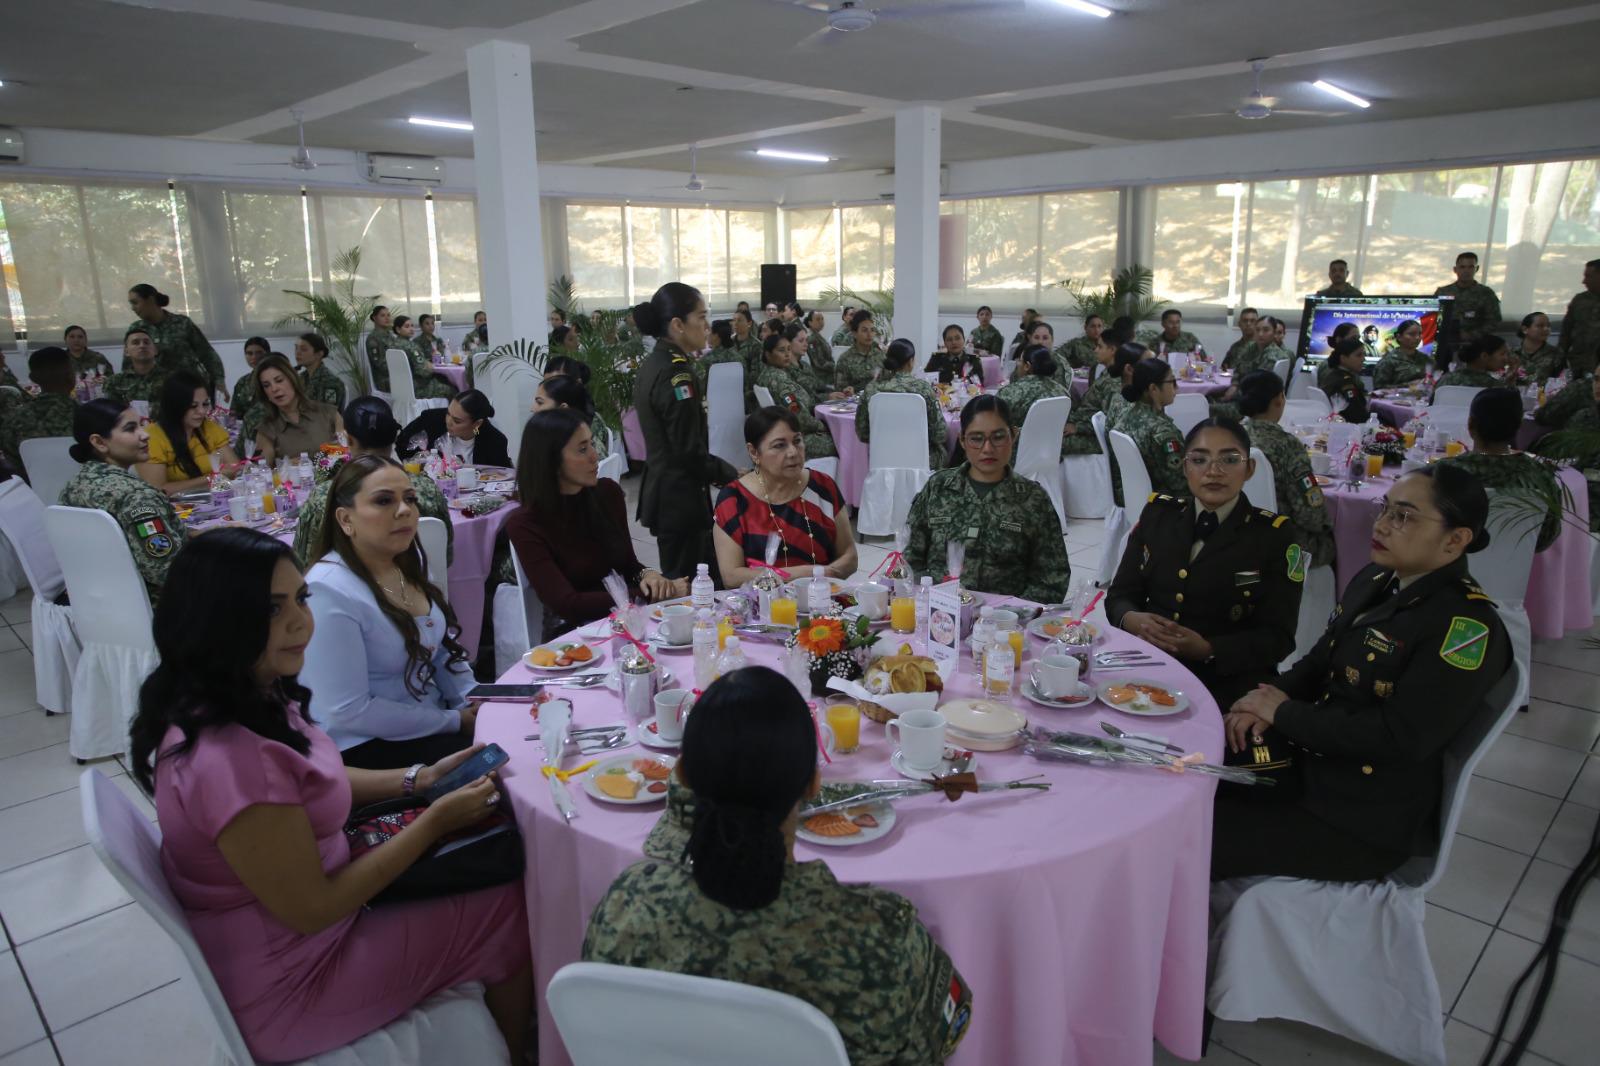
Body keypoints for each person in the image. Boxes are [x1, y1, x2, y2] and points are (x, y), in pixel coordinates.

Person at [127, 528, 532, 1063]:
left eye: (300, 599)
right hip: (296, 982)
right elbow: (315, 908)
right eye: (272, 610)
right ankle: (525, 1049)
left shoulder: (244, 691)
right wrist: (433, 822)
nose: (300, 622)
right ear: (217, 620)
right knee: (505, 903)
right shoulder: (233, 759)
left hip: (294, 934)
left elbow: (317, 778)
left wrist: (420, 779)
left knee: (487, 860)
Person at [582, 666, 972, 1064]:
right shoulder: (881, 939)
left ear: (682, 775)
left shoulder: (627, 906)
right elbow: (940, 1041)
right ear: (813, 784)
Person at [1214, 466, 1511, 882]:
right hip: (1308, 767)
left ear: (1455, 540)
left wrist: (1285, 714)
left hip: (1360, 819)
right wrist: (1261, 701)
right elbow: (1320, 660)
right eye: (1385, 509)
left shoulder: (1464, 627)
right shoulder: (1377, 578)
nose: (1383, 525)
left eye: (1404, 516)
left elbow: (1399, 736)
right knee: (1189, 776)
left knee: (1194, 835)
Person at [1108, 419, 1303, 707]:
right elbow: (1120, 595)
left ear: (1249, 469)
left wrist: (1210, 649)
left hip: (1226, 677)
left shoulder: (1274, 536)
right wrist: (1132, 619)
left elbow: (1279, 637)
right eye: (1199, 460)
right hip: (1148, 664)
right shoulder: (1158, 515)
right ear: (1185, 467)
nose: (1214, 471)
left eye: (1230, 459)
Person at [300, 455, 476, 768]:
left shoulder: (407, 564)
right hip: (365, 746)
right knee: (501, 771)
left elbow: (441, 653)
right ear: (345, 519)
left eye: (410, 499)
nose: (405, 510)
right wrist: (454, 720)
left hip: (429, 723)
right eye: (384, 501)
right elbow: (349, 711)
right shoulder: (327, 590)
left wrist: (476, 702)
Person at [508, 408, 679, 639]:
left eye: (590, 444)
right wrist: (648, 595)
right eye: (582, 449)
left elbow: (628, 565)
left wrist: (649, 577)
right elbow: (568, 604)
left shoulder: (608, 494)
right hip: (574, 637)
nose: (594, 455)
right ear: (551, 460)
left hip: (629, 621)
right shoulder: (526, 524)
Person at [905, 394, 1070, 602]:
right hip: (941, 615)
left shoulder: (1032, 499)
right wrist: (928, 599)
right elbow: (910, 557)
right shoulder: (938, 488)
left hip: (1006, 623)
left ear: (1014, 435)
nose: (988, 448)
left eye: (998, 437)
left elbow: (1053, 579)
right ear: (963, 441)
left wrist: (1012, 614)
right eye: (976, 438)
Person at [634, 283, 739, 580]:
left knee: (695, 582)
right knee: (690, 589)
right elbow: (687, 451)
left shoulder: (656, 362)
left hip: (670, 492)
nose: (707, 326)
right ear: (678, 324)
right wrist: (731, 474)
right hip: (679, 498)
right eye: (701, 317)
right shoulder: (675, 372)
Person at [293, 397, 451, 571]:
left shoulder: (327, 496)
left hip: (350, 593)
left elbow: (303, 562)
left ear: (348, 440)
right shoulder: (426, 489)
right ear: (393, 437)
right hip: (421, 585)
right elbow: (446, 555)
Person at [59, 399, 187, 604]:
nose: (145, 434)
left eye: (141, 424)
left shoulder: (74, 486)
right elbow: (165, 569)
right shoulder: (135, 496)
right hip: (162, 609)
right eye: (130, 429)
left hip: (102, 606)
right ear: (99, 442)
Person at [714, 408, 857, 586]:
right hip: (761, 606)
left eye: (797, 441)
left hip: (821, 602)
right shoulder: (734, 499)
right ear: (754, 452)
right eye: (779, 445)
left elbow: (849, 555)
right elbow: (731, 576)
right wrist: (806, 574)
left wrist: (827, 575)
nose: (793, 452)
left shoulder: (822, 487)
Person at [1441, 388, 1563, 552]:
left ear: (1470, 425)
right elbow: (1545, 537)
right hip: (1514, 573)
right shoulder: (1540, 475)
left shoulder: (1442, 473)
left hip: (1446, 569)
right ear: (1519, 426)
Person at [1239, 370, 1336, 574]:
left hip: (1236, 534)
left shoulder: (1233, 435)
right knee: (1340, 542)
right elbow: (1310, 515)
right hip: (1283, 543)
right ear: (1279, 400)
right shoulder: (1287, 446)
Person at [854, 339, 947, 471]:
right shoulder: (923, 389)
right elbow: (939, 434)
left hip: (882, 461)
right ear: (911, 361)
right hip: (921, 461)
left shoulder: (871, 390)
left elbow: (862, 433)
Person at [139, 371, 237, 496]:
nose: (201, 412)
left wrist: (221, 476)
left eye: (205, 404)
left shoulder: (209, 427)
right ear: (175, 406)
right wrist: (212, 478)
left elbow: (234, 468)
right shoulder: (152, 437)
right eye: (193, 406)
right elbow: (159, 490)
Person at [126, 283, 227, 397]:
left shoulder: (182, 323)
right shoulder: (136, 329)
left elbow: (206, 352)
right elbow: (128, 364)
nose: (133, 308)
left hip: (190, 388)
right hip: (156, 392)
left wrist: (219, 380)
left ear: (150, 300)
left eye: (135, 303)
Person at [1112, 357, 1188, 499]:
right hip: (1164, 504)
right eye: (1172, 382)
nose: (1176, 388)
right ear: (1153, 388)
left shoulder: (1126, 415)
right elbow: (1179, 485)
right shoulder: (1162, 432)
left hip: (1132, 498)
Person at [753, 334, 837, 459]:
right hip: (798, 438)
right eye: (781, 350)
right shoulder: (780, 381)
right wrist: (825, 425)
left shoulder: (767, 374)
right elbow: (800, 418)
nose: (787, 354)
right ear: (768, 354)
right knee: (843, 442)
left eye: (788, 349)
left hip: (783, 434)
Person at [1060, 334, 1142, 460]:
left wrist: (1078, 428)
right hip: (1083, 424)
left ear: (1112, 350)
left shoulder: (1114, 384)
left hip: (1095, 437)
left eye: (1100, 346)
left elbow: (1109, 422)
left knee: (1053, 443)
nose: (1095, 350)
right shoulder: (1107, 372)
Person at [254, 353, 344, 465]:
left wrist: (333, 455)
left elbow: (349, 453)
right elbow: (260, 475)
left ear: (292, 379)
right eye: (266, 385)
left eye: (279, 380)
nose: (274, 389)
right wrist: (285, 467)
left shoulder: (329, 414)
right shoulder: (267, 430)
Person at [0, 347, 78, 474]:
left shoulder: (13, 422)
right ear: (71, 376)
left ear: (33, 378)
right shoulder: (90, 418)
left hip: (32, 489)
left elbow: (13, 466)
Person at [396, 389, 512, 469]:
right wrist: (420, 461)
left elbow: (501, 475)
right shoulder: (431, 421)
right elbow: (401, 444)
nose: (448, 422)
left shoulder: (494, 441)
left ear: (477, 424)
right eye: (448, 413)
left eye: (457, 421)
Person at [533, 373, 610, 460]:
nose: (532, 409)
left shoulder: (576, 450)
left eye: (540, 402)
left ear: (563, 409)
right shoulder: (552, 441)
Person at [996, 346, 1070, 435]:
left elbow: (992, 418)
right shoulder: (1063, 393)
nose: (1017, 363)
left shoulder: (1011, 392)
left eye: (1020, 360)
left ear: (1027, 366)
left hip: (1016, 444)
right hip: (1052, 445)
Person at [1436, 251, 1501, 342]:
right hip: (1445, 341)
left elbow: (1494, 322)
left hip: (1475, 344)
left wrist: (1472, 335)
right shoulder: (1443, 292)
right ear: (1455, 269)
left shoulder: (1486, 293)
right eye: (1462, 267)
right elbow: (1433, 317)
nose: (1466, 271)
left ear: (1476, 269)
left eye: (1471, 267)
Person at [103, 326, 165, 415]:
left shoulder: (172, 379)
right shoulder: (114, 382)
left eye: (146, 342)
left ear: (155, 350)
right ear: (126, 351)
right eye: (136, 342)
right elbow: (110, 413)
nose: (142, 345)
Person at [394, 315, 457, 400]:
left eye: (412, 326)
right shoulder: (411, 346)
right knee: (453, 389)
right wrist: (429, 365)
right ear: (398, 329)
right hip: (419, 387)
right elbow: (423, 371)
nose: (411, 329)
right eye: (407, 326)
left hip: (401, 386)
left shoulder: (393, 345)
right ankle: (449, 413)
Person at [1557, 259, 1600, 378]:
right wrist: (1559, 359)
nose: (1584, 281)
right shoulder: (1580, 300)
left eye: (1589, 276)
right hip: (1579, 364)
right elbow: (1566, 331)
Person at [1433, 334, 1508, 399]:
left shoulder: (1446, 379)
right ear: (1484, 356)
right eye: (1502, 354)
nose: (1506, 358)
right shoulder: (1494, 386)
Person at [1318, 338, 1372, 424]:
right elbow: (1358, 414)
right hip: (1348, 427)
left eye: (1364, 355)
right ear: (1343, 358)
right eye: (1359, 355)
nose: (1363, 359)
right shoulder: (1344, 381)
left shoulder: (1333, 374)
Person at [231, 336, 271, 449]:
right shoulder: (242, 382)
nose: (254, 357)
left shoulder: (275, 381)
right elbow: (234, 414)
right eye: (249, 353)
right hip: (247, 436)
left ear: (268, 353)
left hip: (270, 435)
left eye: (259, 352)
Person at [834, 310, 883, 395]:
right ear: (854, 333)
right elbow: (840, 390)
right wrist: (847, 391)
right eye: (864, 330)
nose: (869, 334)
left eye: (872, 330)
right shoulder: (845, 359)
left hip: (878, 402)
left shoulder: (881, 355)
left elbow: (889, 381)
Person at [294, 332, 347, 410]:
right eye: (296, 348)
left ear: (319, 354)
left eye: (303, 349)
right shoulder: (301, 378)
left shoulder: (330, 382)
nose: (297, 353)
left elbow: (327, 415)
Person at [1372, 319, 1430, 389]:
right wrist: (1408, 386)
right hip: (1394, 399)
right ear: (1399, 337)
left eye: (1420, 334)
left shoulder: (1425, 359)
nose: (1417, 337)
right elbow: (1379, 388)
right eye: (1411, 334)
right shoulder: (1388, 361)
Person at [1512, 312, 1562, 383]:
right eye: (1540, 326)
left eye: (1548, 326)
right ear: (1525, 329)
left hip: (1544, 393)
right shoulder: (1511, 354)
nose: (1546, 329)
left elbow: (1561, 381)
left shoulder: (1556, 354)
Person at [363, 305, 403, 391]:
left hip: (397, 375)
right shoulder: (373, 339)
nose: (387, 318)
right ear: (374, 318)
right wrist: (402, 368)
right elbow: (381, 365)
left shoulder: (390, 335)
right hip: (385, 380)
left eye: (388, 315)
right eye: (383, 315)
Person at [803, 309, 834, 378]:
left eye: (822, 319)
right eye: (818, 319)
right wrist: (836, 366)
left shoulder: (818, 336)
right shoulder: (812, 339)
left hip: (828, 372)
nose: (821, 322)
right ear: (810, 322)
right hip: (822, 376)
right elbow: (820, 363)